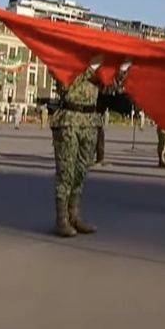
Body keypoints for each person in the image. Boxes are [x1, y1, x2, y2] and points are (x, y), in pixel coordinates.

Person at [49, 65, 103, 237]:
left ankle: (74, 214)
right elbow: (65, 86)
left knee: (81, 170)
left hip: (90, 122)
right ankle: (62, 218)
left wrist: (120, 70)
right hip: (69, 120)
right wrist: (90, 68)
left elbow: (109, 87)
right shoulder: (64, 60)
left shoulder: (97, 63)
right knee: (66, 172)